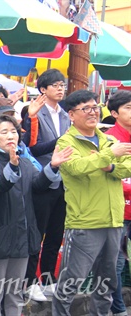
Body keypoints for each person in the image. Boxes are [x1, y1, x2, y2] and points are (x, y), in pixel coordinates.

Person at [0, 115, 69, 316]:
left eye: (13, 131)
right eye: (4, 132)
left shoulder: (26, 163)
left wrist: (52, 166)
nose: (11, 136)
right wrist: (11, 165)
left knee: (15, 293)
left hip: (23, 235)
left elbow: (38, 185)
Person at [52, 90, 131, 316]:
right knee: (71, 281)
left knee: (107, 282)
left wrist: (110, 167)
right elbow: (76, 168)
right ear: (71, 115)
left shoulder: (108, 139)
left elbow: (128, 165)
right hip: (85, 222)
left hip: (114, 219)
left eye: (95, 107)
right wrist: (107, 158)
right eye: (85, 109)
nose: (92, 112)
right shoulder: (66, 141)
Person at [21, 69, 70, 301]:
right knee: (36, 232)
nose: (61, 89)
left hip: (63, 181)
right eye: (56, 85)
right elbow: (31, 148)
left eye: (63, 85)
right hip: (41, 179)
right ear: (43, 89)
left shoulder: (65, 114)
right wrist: (61, 142)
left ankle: (49, 279)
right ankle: (29, 281)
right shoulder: (34, 113)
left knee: (55, 233)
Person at [104, 90, 131, 316]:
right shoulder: (110, 138)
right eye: (128, 108)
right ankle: (118, 308)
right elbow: (111, 175)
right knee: (117, 263)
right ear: (114, 113)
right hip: (119, 210)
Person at [0, 97, 41, 170]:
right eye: (4, 115)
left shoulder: (18, 143)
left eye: (11, 115)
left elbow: (37, 168)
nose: (8, 119)